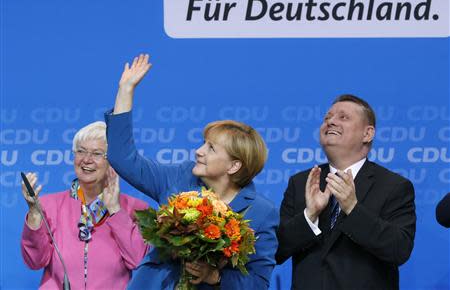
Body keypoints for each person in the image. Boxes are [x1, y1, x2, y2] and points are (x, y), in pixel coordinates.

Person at [104, 54, 278, 289]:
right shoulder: (179, 177)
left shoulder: (261, 212)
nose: (198, 151)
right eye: (203, 143)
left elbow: (258, 283)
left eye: (211, 148)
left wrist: (215, 277)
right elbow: (123, 159)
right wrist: (126, 90)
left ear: (234, 166)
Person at [276, 94, 416, 290]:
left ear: (367, 134)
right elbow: (277, 250)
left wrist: (353, 208)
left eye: (343, 117)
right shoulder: (302, 182)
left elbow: (398, 250)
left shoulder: (393, 186)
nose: (330, 122)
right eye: (327, 118)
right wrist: (309, 216)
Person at [21, 121, 149, 290]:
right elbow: (35, 261)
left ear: (113, 162)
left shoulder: (135, 208)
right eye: (80, 151)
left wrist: (116, 211)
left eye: (97, 154)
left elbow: (138, 261)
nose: (86, 160)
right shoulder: (49, 205)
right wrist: (35, 213)